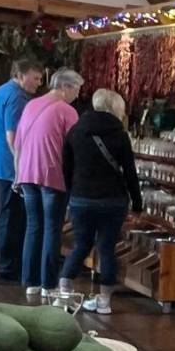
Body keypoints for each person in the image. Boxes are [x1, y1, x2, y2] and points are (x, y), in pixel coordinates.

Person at [57, 89, 143, 315]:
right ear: (116, 108)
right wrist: (137, 203)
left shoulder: (76, 131)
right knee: (106, 248)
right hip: (113, 200)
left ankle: (64, 291)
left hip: (81, 198)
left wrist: (70, 193)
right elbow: (130, 173)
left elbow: (66, 167)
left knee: (81, 245)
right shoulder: (120, 134)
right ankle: (104, 301)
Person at [13, 67, 83, 299]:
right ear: (65, 87)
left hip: (26, 173)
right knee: (52, 229)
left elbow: (19, 142)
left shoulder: (31, 105)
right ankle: (48, 284)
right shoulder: (67, 111)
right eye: (76, 89)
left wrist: (17, 173)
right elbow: (75, 147)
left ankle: (30, 281)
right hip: (52, 175)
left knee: (33, 227)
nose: (78, 95)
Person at [0, 58, 42, 280]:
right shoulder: (18, 96)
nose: (38, 83)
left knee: (5, 213)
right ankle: (7, 266)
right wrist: (21, 169)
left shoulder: (1, 90)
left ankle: (6, 262)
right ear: (21, 75)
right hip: (8, 165)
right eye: (35, 78)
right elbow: (13, 137)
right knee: (10, 216)